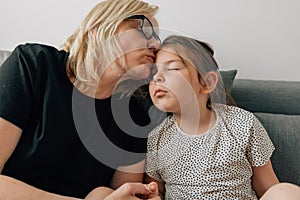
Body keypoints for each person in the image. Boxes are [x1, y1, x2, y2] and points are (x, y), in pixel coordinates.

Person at [0, 0, 163, 199]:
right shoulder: (33, 65)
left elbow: (121, 194)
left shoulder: (137, 115)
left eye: (156, 37)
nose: (155, 44)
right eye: (141, 29)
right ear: (98, 29)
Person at [145, 35, 300, 199]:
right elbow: (157, 190)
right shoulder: (157, 138)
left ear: (207, 82)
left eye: (172, 68)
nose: (157, 78)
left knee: (283, 191)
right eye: (153, 73)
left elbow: (267, 188)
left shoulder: (242, 123)